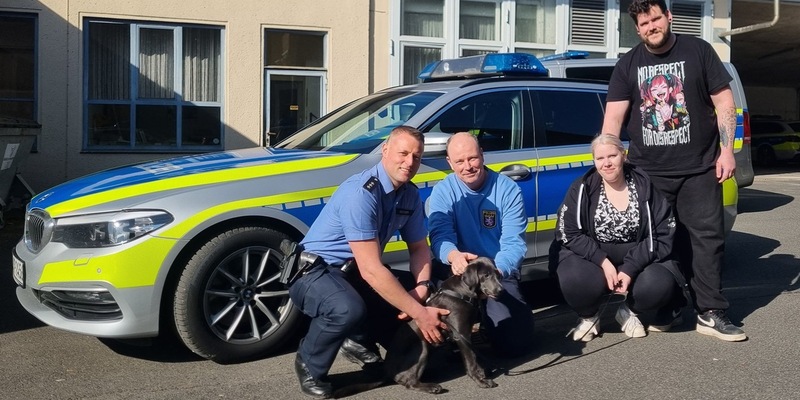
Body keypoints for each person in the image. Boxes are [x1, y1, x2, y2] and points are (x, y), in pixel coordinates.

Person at [601, 0, 746, 341]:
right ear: (637, 29)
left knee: (706, 241)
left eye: (655, 18)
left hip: (700, 168)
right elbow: (613, 119)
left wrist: (727, 150)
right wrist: (610, 159)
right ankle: (671, 305)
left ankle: (711, 311)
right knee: (659, 244)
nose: (651, 26)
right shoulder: (628, 65)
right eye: (644, 23)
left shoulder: (699, 51)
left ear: (668, 17)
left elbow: (725, 103)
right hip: (649, 173)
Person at [288, 126, 449, 399]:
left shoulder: (408, 194)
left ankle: (358, 339)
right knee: (346, 308)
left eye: (417, 157)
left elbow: (420, 248)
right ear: (385, 151)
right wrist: (420, 314)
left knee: (435, 364)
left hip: (354, 274)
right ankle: (309, 362)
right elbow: (372, 270)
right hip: (315, 273)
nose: (410, 162)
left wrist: (421, 288)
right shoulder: (361, 193)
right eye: (403, 153)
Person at [551, 134, 681, 341]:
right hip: (593, 253)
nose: (607, 163)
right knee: (574, 279)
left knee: (659, 284)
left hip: (639, 252)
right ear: (593, 161)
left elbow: (662, 234)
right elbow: (569, 232)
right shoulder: (582, 188)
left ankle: (630, 312)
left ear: (624, 155)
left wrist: (629, 269)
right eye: (600, 158)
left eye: (612, 156)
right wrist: (604, 262)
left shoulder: (645, 186)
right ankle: (588, 317)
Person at [427, 132, 535, 357]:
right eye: (459, 161)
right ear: (449, 163)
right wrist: (453, 256)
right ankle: (459, 331)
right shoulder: (442, 191)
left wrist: (496, 272)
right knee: (436, 344)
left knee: (516, 344)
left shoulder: (508, 190)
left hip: (495, 271)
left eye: (472, 158)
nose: (467, 166)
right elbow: (439, 237)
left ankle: (489, 323)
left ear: (482, 156)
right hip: (457, 272)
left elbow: (514, 244)